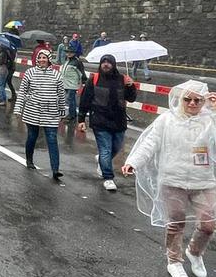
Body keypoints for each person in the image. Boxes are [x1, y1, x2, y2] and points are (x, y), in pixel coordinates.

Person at [122, 80, 216, 277]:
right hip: (172, 180)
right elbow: (150, 143)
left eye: (197, 100)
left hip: (203, 180)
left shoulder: (210, 119)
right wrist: (134, 162)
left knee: (208, 225)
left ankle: (195, 251)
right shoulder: (167, 119)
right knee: (175, 222)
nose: (193, 103)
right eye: (188, 99)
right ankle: (174, 260)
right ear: (180, 99)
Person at [78, 53, 136, 192]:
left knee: (115, 147)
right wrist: (81, 120)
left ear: (113, 64)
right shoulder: (95, 79)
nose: (105, 64)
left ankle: (102, 161)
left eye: (108, 62)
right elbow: (85, 100)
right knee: (105, 149)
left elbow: (131, 98)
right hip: (100, 120)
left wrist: (131, 85)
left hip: (118, 120)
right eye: (103, 61)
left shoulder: (122, 79)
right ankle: (108, 178)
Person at [16, 48, 66, 179]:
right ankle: (29, 159)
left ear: (49, 60)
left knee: (52, 139)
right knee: (32, 136)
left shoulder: (56, 75)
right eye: (40, 58)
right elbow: (22, 92)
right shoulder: (30, 73)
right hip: (33, 110)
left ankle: (55, 169)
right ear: (37, 59)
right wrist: (18, 108)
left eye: (45, 58)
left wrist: (62, 111)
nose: (42, 60)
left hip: (51, 112)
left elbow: (61, 95)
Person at [59, 53, 83, 120]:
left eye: (71, 52)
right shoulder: (67, 61)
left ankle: (72, 115)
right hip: (66, 84)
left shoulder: (77, 62)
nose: (69, 54)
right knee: (70, 99)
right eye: (67, 52)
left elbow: (81, 73)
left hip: (72, 85)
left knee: (71, 99)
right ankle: (73, 114)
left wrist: (82, 82)